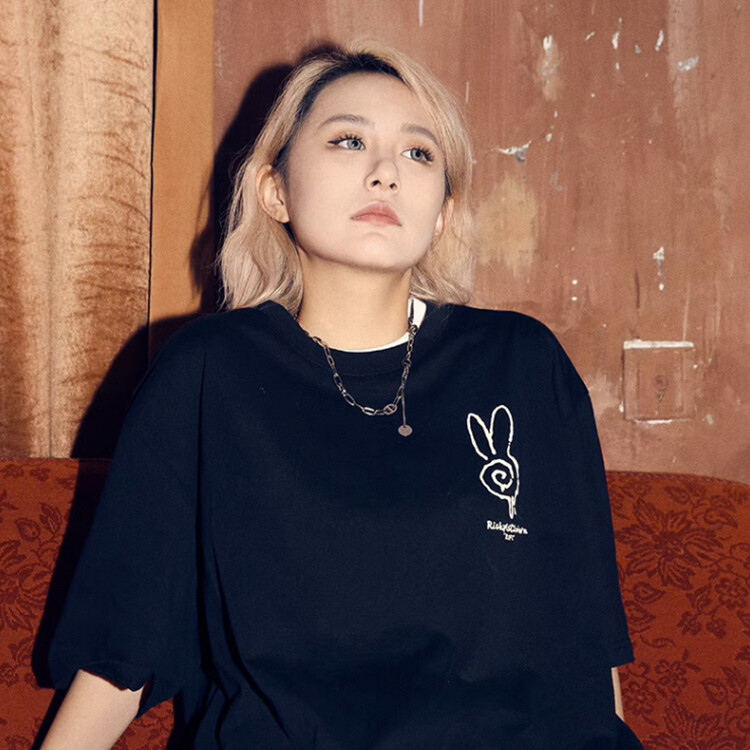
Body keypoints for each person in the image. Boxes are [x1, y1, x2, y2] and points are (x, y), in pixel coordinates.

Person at [41, 42, 643, 749]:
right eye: (349, 141)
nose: (386, 172)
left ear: (442, 213)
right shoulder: (209, 372)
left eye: (418, 153)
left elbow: (585, 645)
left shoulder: (522, 362)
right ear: (275, 190)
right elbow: (123, 645)